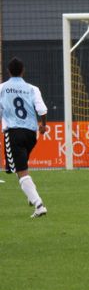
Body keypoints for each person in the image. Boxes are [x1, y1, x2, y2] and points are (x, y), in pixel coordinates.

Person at [1, 57, 48, 217]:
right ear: (23, 71)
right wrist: (43, 125)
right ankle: (31, 194)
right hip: (31, 134)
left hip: (13, 132)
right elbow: (42, 110)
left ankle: (39, 205)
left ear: (8, 71)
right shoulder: (33, 88)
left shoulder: (2, 88)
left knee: (21, 171)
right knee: (19, 166)